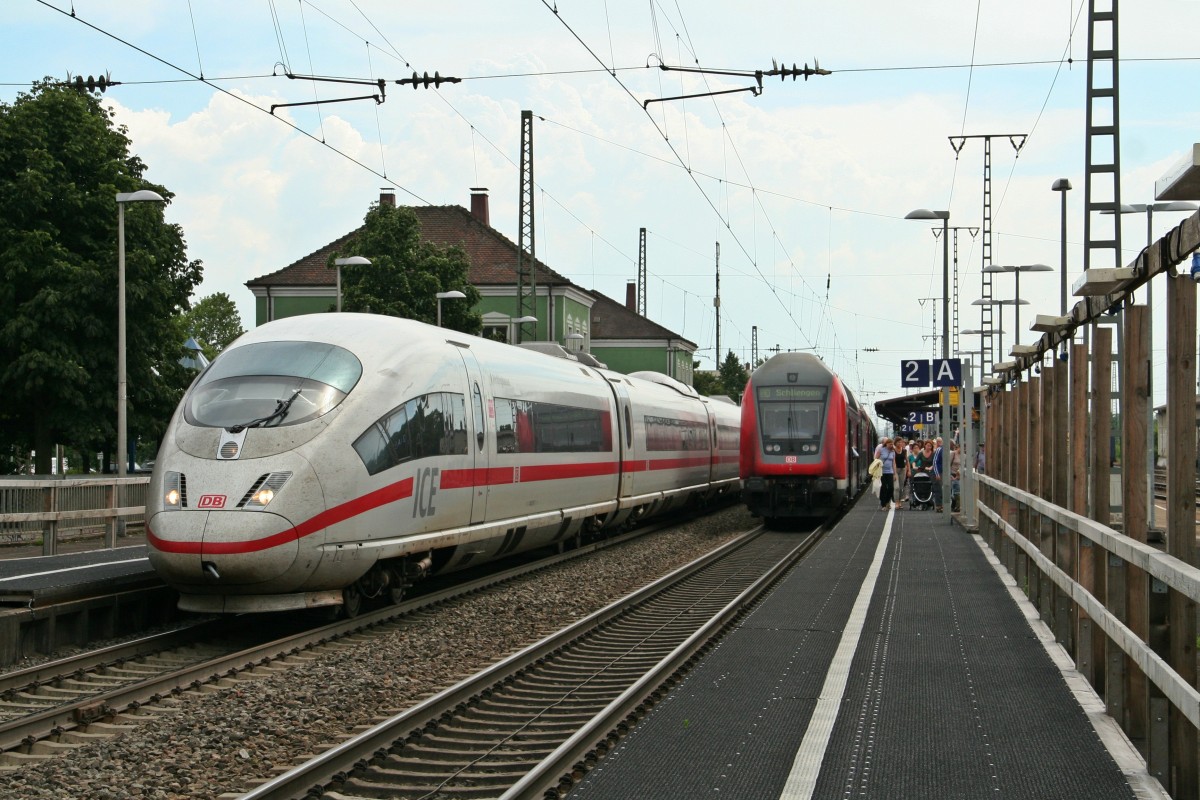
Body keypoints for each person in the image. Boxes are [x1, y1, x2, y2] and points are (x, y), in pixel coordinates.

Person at [873, 436, 898, 511]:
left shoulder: (893, 452)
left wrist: (895, 473)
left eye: (892, 444)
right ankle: (883, 504)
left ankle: (887, 501)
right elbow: (876, 460)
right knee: (883, 488)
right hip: (881, 472)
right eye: (890, 444)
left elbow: (894, 463)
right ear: (886, 444)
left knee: (891, 487)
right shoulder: (881, 450)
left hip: (890, 472)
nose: (891, 445)